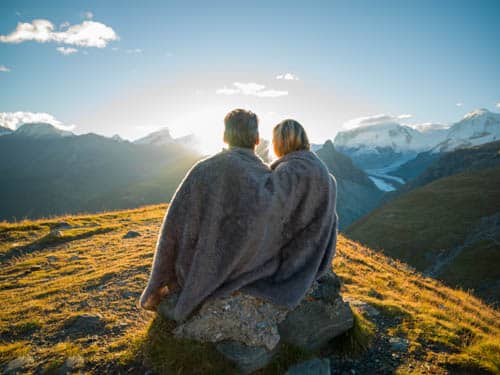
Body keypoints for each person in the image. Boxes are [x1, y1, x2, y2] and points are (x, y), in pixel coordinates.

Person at [140, 112, 338, 322]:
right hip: (254, 264)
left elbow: (173, 226)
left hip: (194, 265)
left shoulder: (201, 169)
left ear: (225, 136)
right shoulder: (266, 176)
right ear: (256, 139)